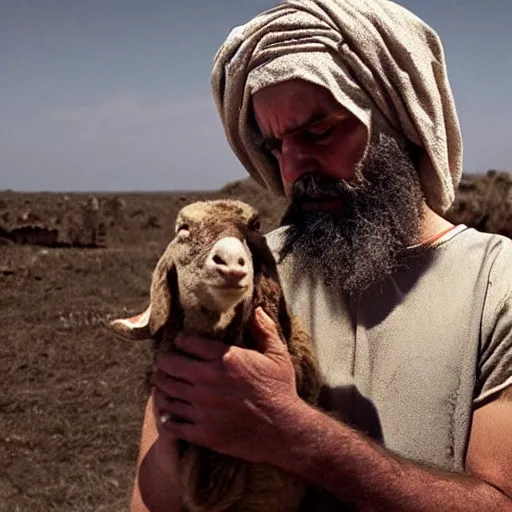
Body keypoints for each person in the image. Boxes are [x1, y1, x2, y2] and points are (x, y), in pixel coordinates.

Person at [130, 1, 512, 510]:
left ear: (398, 119)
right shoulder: (249, 274)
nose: (294, 166)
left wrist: (295, 435)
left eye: (319, 131)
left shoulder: (496, 284)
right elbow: (153, 502)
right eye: (275, 145)